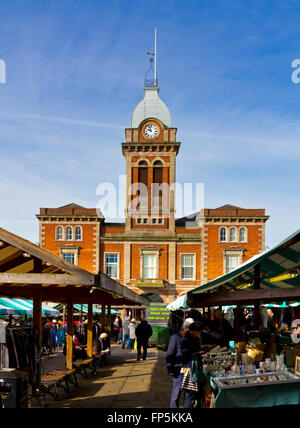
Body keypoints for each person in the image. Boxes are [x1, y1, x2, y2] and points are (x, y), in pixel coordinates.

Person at [166, 317, 194, 408]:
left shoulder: (190, 338)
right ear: (185, 328)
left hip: (188, 368)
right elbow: (170, 354)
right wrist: (170, 369)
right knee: (176, 395)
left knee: (188, 394)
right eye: (191, 329)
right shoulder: (175, 337)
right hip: (178, 369)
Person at [181, 321, 205, 408]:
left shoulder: (192, 337)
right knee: (190, 394)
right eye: (200, 331)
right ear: (194, 331)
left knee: (194, 394)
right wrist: (199, 353)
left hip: (193, 367)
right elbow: (185, 354)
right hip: (189, 369)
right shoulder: (186, 339)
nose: (201, 333)